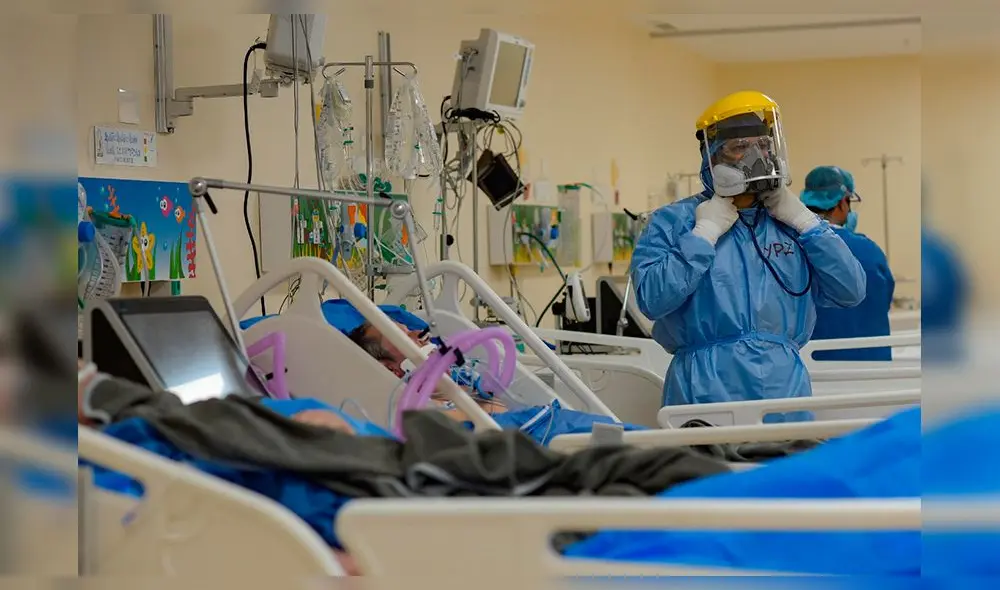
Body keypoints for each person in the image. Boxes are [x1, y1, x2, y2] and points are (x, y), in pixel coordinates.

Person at [629, 91, 866, 421]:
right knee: (712, 472)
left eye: (764, 146)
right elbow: (652, 300)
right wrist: (703, 235)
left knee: (784, 473)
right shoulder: (676, 222)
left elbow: (851, 290)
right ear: (712, 157)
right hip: (705, 386)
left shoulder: (790, 224)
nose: (757, 157)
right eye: (740, 147)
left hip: (784, 387)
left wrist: (808, 225)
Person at [799, 166, 895, 361]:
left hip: (816, 371)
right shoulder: (869, 251)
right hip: (874, 370)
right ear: (843, 202)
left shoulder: (792, 249)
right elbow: (884, 299)